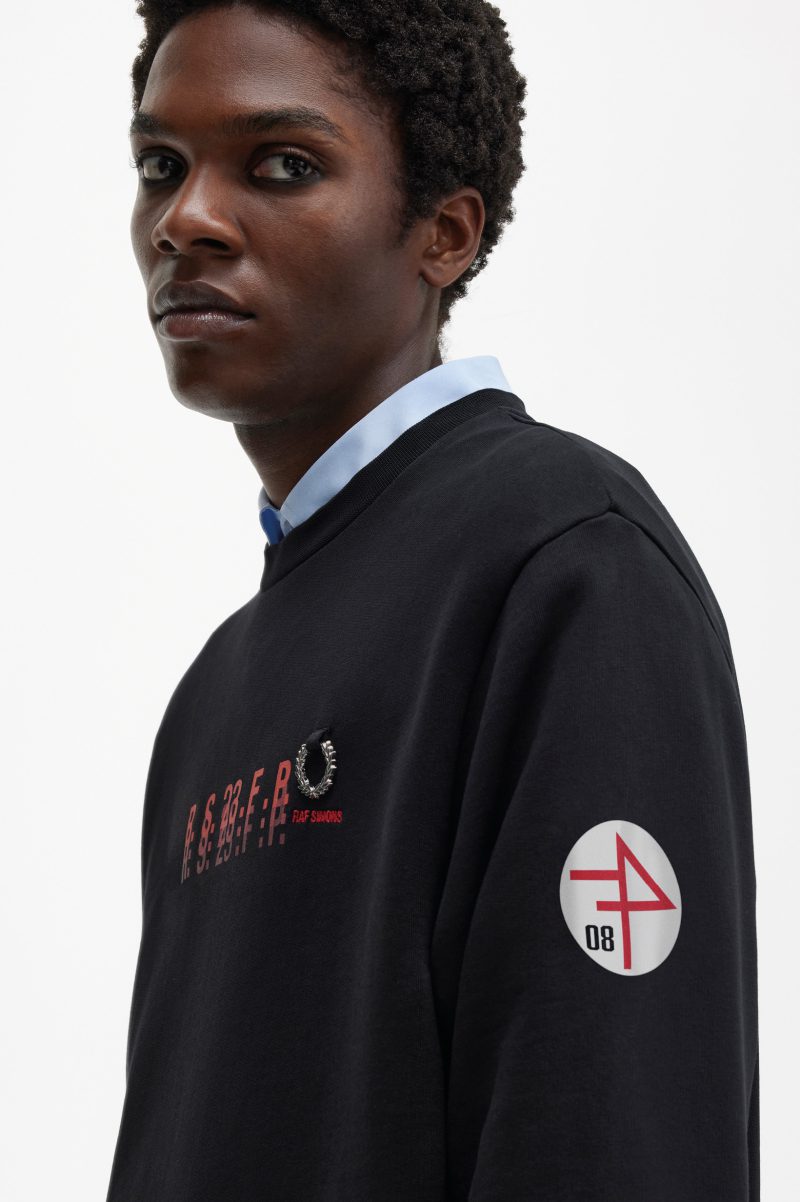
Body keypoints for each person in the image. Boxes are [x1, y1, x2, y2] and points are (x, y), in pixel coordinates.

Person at [105, 3, 759, 1199]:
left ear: (443, 234)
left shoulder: (564, 558)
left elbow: (610, 1134)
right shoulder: (212, 693)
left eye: (280, 164)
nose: (184, 219)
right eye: (160, 166)